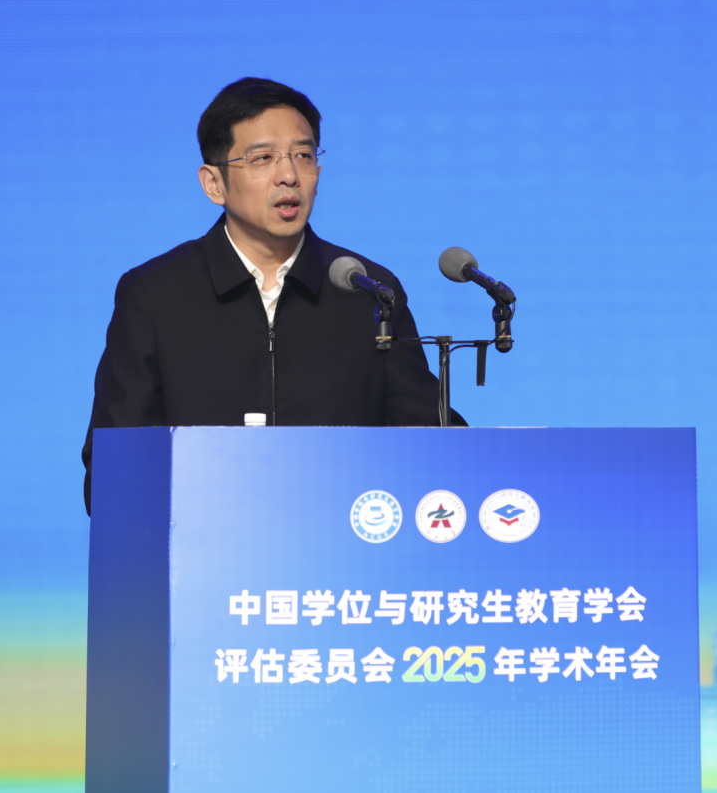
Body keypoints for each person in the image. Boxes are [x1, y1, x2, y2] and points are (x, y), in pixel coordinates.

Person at [81, 77, 459, 514]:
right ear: (214, 183)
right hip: (206, 545)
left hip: (343, 541)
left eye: (304, 155)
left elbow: (429, 442)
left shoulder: (367, 290)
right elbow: (114, 467)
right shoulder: (156, 294)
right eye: (263, 158)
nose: (289, 175)